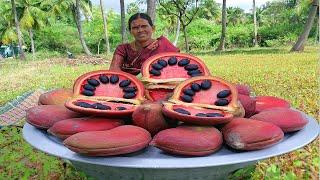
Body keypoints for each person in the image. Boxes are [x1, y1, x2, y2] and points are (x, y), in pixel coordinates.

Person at [109, 13, 179, 75]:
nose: (140, 30)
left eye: (144, 26)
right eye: (135, 28)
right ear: (130, 31)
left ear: (153, 28)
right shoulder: (123, 49)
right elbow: (113, 71)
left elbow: (176, 66)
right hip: (129, 86)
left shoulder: (163, 44)